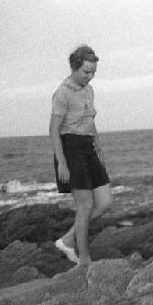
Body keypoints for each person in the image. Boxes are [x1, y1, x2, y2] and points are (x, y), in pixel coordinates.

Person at [49, 45, 112, 265]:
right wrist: (62, 164)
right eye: (86, 72)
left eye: (93, 72)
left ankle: (67, 239)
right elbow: (53, 130)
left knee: (104, 203)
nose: (90, 76)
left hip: (88, 147)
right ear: (75, 68)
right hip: (70, 148)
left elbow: (90, 121)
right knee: (84, 206)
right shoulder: (63, 93)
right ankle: (84, 258)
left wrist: (99, 149)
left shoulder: (89, 90)